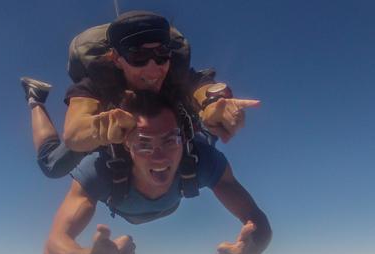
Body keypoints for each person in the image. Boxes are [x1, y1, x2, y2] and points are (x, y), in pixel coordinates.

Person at [43, 91, 271, 254]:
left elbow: (255, 218)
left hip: (189, 146)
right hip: (134, 181)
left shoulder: (200, 160)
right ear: (126, 146)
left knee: (208, 131)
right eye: (144, 144)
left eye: (170, 140)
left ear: (182, 138)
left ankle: (209, 104)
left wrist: (255, 247)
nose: (159, 156)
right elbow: (54, 247)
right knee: (50, 163)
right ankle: (35, 99)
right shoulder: (101, 170)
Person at [22, 10, 261, 178]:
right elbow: (74, 133)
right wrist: (101, 126)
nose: (153, 68)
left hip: (161, 137)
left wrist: (214, 103)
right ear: (116, 59)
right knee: (52, 166)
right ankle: (35, 99)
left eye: (161, 53)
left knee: (203, 137)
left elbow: (201, 87)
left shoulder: (176, 74)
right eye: (138, 56)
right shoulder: (98, 81)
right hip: (111, 136)